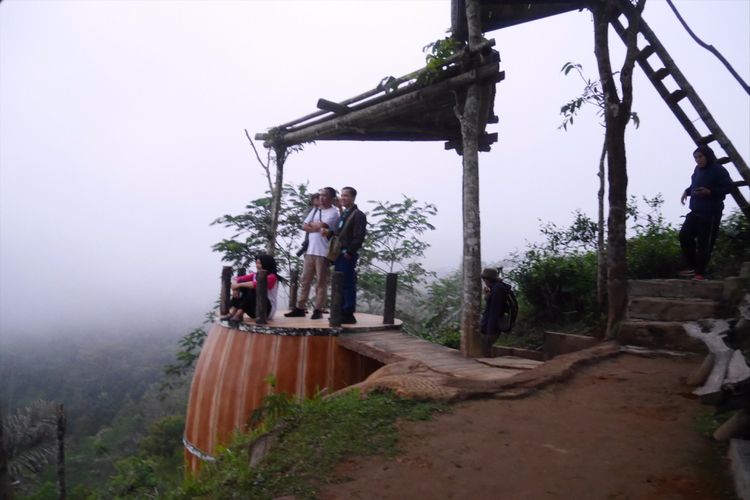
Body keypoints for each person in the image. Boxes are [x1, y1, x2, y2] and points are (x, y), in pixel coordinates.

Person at [678, 144, 732, 280]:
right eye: (696, 158)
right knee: (684, 235)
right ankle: (693, 267)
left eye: (700, 157)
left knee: (704, 242)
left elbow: (728, 187)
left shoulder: (718, 170)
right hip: (695, 210)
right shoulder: (697, 170)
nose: (698, 160)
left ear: (707, 155)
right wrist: (687, 191)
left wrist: (710, 192)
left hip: (711, 212)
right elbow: (694, 185)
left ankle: (699, 273)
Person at [285, 187, 340, 319]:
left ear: (331, 198)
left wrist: (314, 226)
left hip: (323, 252)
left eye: (325, 195)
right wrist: (316, 226)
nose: (321, 197)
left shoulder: (334, 213)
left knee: (321, 282)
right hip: (310, 251)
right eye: (320, 195)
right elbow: (304, 226)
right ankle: (300, 307)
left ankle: (318, 309)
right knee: (305, 280)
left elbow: (323, 225)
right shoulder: (315, 210)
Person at [330, 186, 367, 324]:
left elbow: (359, 236)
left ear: (353, 197)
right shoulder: (345, 213)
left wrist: (350, 251)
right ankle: (340, 310)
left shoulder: (358, 215)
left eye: (346, 195)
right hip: (339, 253)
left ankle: (348, 311)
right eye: (342, 195)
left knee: (347, 283)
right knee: (339, 282)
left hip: (347, 254)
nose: (343, 198)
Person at [223, 254, 281, 324]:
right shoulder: (255, 275)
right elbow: (236, 279)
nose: (257, 265)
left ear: (266, 264)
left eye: (259, 263)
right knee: (244, 286)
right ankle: (234, 312)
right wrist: (236, 288)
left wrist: (238, 285)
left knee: (253, 288)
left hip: (266, 311)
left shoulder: (272, 277)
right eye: (256, 263)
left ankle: (239, 313)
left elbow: (256, 285)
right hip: (254, 309)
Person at [480, 268, 508, 358]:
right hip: (490, 326)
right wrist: (487, 297)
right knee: (485, 349)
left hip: (492, 327)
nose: (484, 282)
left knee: (485, 350)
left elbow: (494, 311)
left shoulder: (497, 290)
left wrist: (490, 330)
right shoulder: (496, 288)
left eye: (484, 279)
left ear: (487, 279)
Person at [296, 193, 320, 257]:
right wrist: (316, 228)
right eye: (317, 199)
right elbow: (304, 225)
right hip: (310, 238)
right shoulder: (309, 210)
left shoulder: (324, 210)